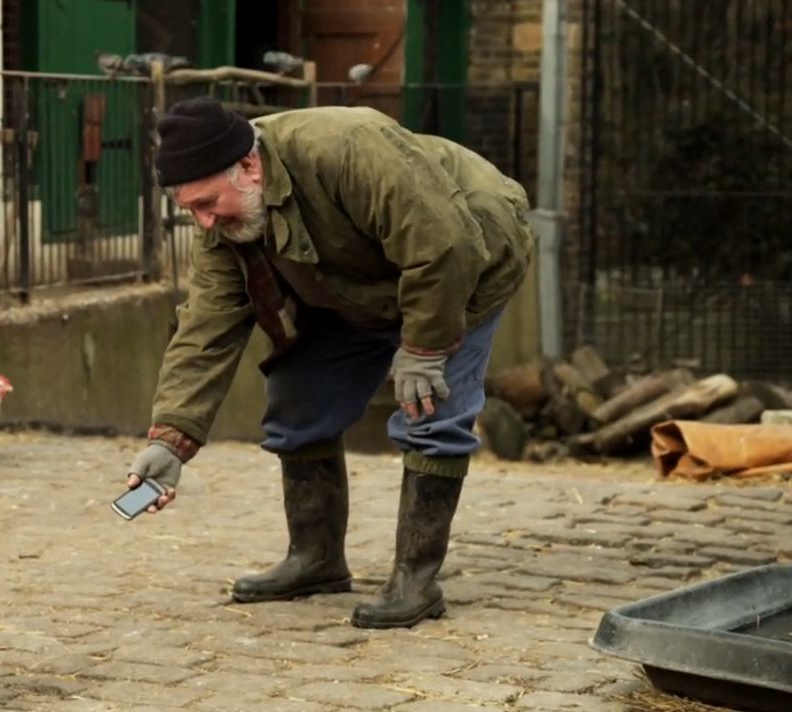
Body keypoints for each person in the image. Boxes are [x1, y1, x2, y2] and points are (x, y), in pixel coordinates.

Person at [125, 96, 534, 629]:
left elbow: (442, 246)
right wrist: (170, 439)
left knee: (430, 411)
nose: (203, 223)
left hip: (466, 260)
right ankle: (316, 560)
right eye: (190, 211)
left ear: (249, 166)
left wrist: (425, 348)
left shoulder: (348, 147)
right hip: (351, 283)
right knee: (297, 400)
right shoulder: (228, 225)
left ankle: (415, 578)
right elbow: (206, 325)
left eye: (207, 203)